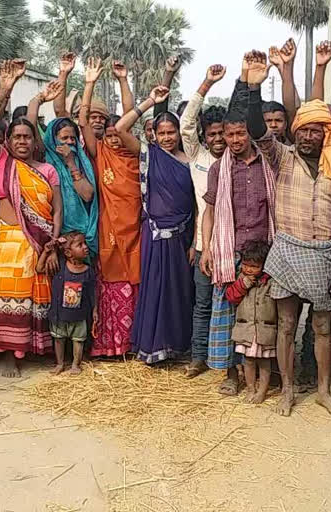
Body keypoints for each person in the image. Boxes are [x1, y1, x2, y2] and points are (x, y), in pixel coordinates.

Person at [247, 48, 331, 418]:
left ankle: (324, 390)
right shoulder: (281, 157)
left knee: (323, 328)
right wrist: (252, 87)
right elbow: (256, 129)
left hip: (325, 254)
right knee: (287, 326)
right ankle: (288, 389)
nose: (309, 134)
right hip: (287, 252)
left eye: (316, 128)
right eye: (304, 128)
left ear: (327, 132)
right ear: (295, 131)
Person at [0, 60, 63, 377]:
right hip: (11, 241)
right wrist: (5, 88)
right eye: (17, 137)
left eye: (28, 136)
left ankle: (32, 350)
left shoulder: (47, 170)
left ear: (34, 140)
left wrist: (52, 245)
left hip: (41, 245)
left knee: (35, 299)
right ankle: (10, 358)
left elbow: (57, 210)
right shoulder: (2, 163)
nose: (23, 141)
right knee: (10, 301)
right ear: (9, 141)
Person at [201, 100, 276, 397]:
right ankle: (232, 374)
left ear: (250, 134)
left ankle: (264, 373)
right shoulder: (219, 169)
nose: (234, 140)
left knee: (260, 314)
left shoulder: (268, 163)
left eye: (240, 134)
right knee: (227, 313)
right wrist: (207, 249)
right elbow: (209, 211)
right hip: (228, 251)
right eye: (229, 135)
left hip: (262, 251)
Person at [115, 85, 195, 364]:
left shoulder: (191, 161)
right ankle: (154, 348)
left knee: (179, 292)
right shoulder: (150, 153)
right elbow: (121, 129)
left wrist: (196, 242)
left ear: (179, 133)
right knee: (157, 289)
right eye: (161, 133)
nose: (166, 138)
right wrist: (150, 101)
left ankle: (177, 347)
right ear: (154, 134)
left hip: (183, 237)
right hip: (156, 236)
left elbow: (197, 205)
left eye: (171, 132)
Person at [78, 58, 140, 358]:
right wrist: (89, 83)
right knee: (112, 281)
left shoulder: (134, 157)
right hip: (108, 228)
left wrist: (123, 81)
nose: (114, 138)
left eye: (119, 134)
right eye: (110, 134)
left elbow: (130, 115)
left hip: (136, 229)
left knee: (136, 280)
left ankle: (134, 343)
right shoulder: (100, 151)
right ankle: (110, 345)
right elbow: (82, 122)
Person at [180, 64, 228, 377]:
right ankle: (198, 358)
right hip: (202, 244)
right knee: (203, 305)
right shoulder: (197, 156)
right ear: (205, 137)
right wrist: (206, 84)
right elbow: (185, 124)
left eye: (223, 133)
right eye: (212, 134)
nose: (219, 139)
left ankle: (225, 364)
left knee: (228, 308)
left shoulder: (240, 159)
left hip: (231, 245)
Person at [39, 232, 96, 375]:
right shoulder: (59, 266)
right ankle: (59, 364)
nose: (85, 247)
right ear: (68, 253)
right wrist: (47, 251)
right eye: (80, 245)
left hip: (79, 315)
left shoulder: (88, 271)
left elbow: (93, 294)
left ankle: (75, 364)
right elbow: (39, 269)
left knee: (79, 340)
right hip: (59, 314)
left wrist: (95, 311)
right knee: (58, 339)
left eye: (85, 244)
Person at [224, 240, 274, 404]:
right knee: (249, 361)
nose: (248, 269)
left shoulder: (270, 282)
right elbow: (231, 297)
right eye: (245, 265)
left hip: (265, 331)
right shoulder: (241, 279)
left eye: (254, 266)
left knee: (265, 362)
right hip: (246, 331)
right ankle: (251, 388)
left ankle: (262, 391)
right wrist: (242, 285)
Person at [44, 117, 98, 258]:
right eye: (64, 138)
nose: (69, 142)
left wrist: (71, 163)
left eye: (72, 138)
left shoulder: (81, 163)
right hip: (53, 236)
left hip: (82, 239)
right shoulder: (45, 163)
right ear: (53, 139)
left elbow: (87, 195)